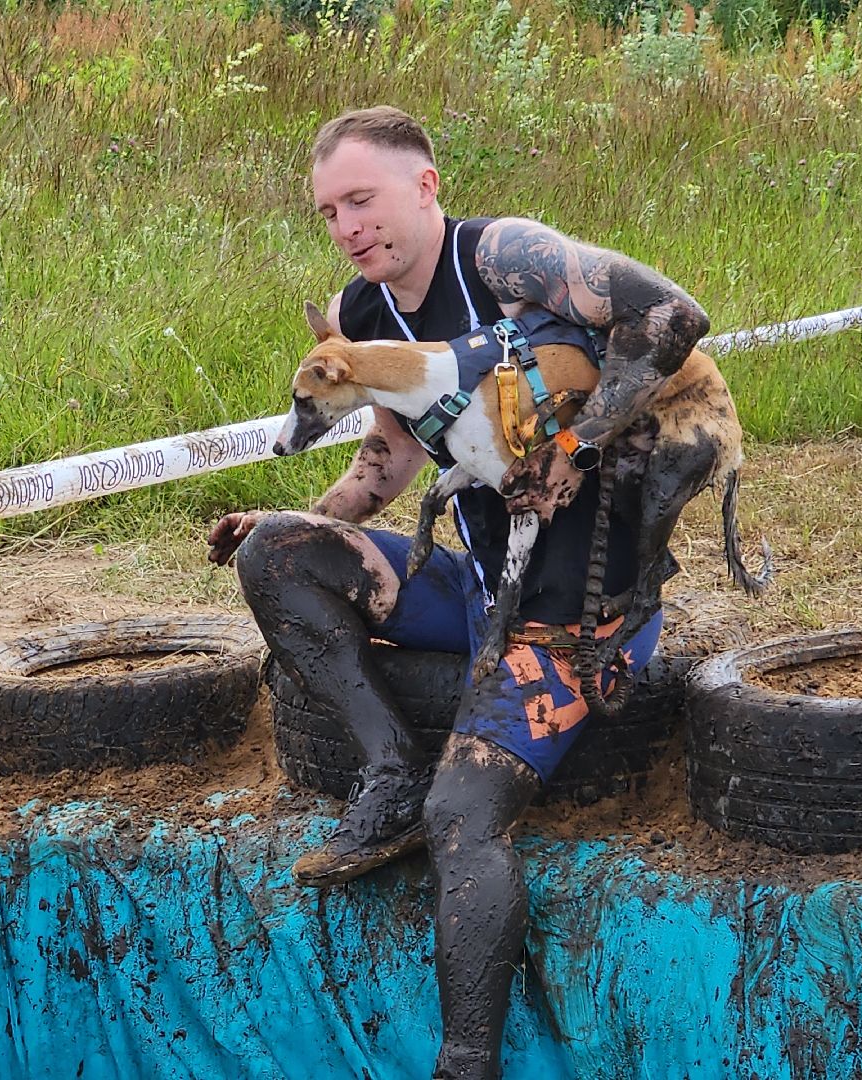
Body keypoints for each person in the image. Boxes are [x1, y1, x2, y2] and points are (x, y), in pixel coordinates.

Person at [207, 106, 710, 1080]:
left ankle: (467, 1063)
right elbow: (387, 460)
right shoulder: (358, 315)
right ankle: (387, 767)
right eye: (328, 212)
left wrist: (574, 445)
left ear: (426, 185)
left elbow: (673, 319)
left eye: (363, 198)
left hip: (579, 620)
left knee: (461, 819)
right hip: (477, 586)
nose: (348, 226)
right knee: (274, 550)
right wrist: (301, 529)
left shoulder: (508, 258)